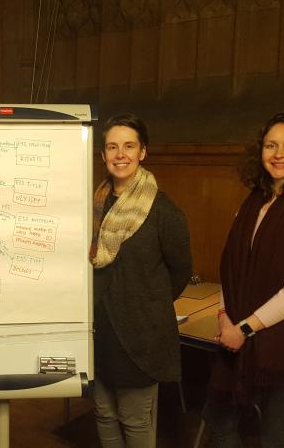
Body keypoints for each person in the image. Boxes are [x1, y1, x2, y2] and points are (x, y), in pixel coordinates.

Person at [201, 111, 284, 447]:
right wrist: (223, 316)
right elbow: (230, 269)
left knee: (276, 441)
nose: (280, 154)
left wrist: (243, 328)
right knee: (218, 425)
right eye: (271, 145)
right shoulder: (252, 203)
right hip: (235, 334)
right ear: (259, 151)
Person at [90, 113, 192, 448]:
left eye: (129, 146)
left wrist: (144, 302)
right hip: (98, 331)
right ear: (103, 155)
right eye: (112, 147)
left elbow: (179, 273)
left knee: (135, 421)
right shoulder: (95, 204)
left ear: (142, 152)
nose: (120, 154)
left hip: (140, 337)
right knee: (104, 414)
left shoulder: (163, 211)